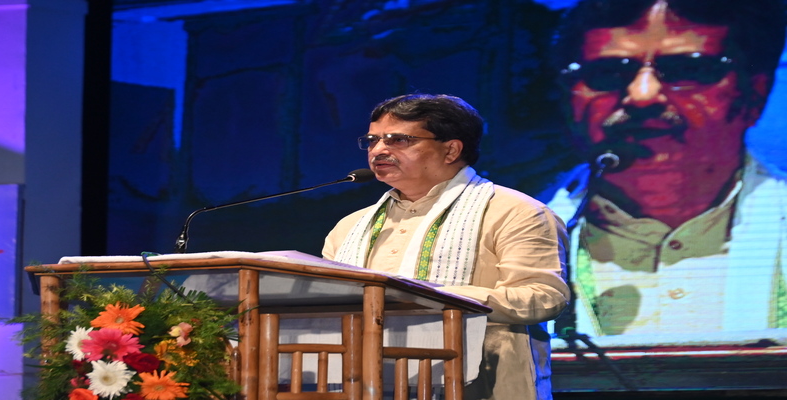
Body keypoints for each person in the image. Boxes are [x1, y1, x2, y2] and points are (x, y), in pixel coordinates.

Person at [548, 0, 787, 340]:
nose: (642, 95)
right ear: (568, 96)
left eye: (686, 69)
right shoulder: (507, 237)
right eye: (609, 73)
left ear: (756, 95)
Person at [323, 94, 570, 400]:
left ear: (451, 149)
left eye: (398, 139)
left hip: (481, 386)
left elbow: (544, 297)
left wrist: (430, 297)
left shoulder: (515, 212)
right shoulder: (351, 227)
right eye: (373, 140)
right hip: (362, 385)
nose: (379, 150)